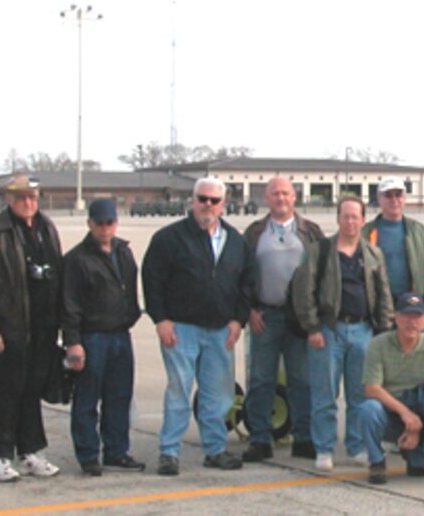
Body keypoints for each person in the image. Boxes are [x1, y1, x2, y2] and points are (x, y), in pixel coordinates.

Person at [142, 177, 253, 475]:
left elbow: (247, 283)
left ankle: (215, 449)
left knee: (218, 395)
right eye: (202, 199)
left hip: (220, 331)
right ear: (192, 200)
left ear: (223, 204)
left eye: (214, 200)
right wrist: (161, 319)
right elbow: (152, 280)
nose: (208, 205)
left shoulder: (236, 241)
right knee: (178, 392)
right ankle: (169, 452)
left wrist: (237, 320)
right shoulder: (169, 238)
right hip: (181, 330)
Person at [0, 174, 65, 482]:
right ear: (9, 199)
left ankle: (30, 451)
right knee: (8, 391)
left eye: (32, 197)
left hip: (42, 326)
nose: (28, 203)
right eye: (21, 198)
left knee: (32, 390)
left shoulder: (46, 228)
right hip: (9, 327)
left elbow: (58, 272)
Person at [291, 196, 394, 473]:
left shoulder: (373, 254)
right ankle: (324, 448)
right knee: (324, 395)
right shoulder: (320, 251)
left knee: (360, 395)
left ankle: (356, 446)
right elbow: (304, 290)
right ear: (338, 219)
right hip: (329, 330)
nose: (350, 222)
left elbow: (383, 293)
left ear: (363, 220)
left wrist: (384, 330)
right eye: (345, 216)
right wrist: (312, 327)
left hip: (364, 331)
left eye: (355, 217)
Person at [241, 177, 324, 462]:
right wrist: (249, 310)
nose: (281, 198)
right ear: (267, 198)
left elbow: (323, 273)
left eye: (286, 193)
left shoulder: (310, 231)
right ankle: (260, 439)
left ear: (294, 197)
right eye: (275, 194)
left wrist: (315, 316)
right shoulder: (255, 232)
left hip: (300, 319)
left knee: (301, 380)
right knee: (260, 379)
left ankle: (304, 438)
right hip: (264, 316)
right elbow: (242, 274)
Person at [60, 198, 145, 476]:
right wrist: (73, 342)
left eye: (110, 222)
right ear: (90, 224)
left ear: (116, 223)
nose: (105, 228)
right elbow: (69, 304)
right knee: (87, 399)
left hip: (120, 334)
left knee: (119, 396)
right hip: (91, 337)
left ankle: (116, 451)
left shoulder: (124, 252)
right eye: (99, 223)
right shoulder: (76, 260)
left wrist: (131, 315)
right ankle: (88, 455)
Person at [359, 292, 424, 485]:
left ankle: (414, 457)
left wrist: (416, 429)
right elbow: (372, 388)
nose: (411, 322)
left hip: (421, 413)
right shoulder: (378, 345)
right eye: (406, 316)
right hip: (390, 410)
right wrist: (405, 413)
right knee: (368, 409)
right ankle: (377, 461)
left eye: (417, 317)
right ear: (396, 318)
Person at [364, 177, 424, 309]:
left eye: (398, 195)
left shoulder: (420, 232)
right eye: (388, 195)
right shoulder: (365, 233)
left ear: (404, 198)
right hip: (378, 307)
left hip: (411, 307)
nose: (394, 200)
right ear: (379, 198)